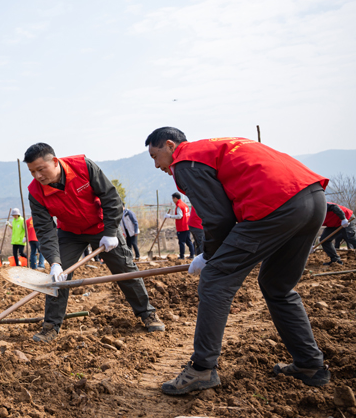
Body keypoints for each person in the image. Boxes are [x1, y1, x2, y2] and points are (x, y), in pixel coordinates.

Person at [146, 128, 330, 394]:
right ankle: (310, 364)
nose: (157, 165)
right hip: (312, 198)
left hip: (276, 204)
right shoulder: (213, 148)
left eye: (155, 156)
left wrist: (209, 256)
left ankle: (201, 370)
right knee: (277, 286)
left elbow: (219, 218)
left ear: (171, 145)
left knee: (215, 280)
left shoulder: (184, 161)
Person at [24, 143, 164, 342]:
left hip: (102, 227)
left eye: (40, 169)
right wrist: (54, 261)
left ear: (55, 161)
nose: (37, 176)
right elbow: (45, 230)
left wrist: (110, 232)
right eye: (32, 172)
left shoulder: (83, 167)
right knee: (58, 278)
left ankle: (148, 314)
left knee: (125, 269)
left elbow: (111, 197)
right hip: (70, 232)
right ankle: (50, 327)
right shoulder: (35, 192)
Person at [165, 192, 195, 259]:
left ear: (175, 198)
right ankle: (192, 254)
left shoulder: (179, 205)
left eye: (173, 198)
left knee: (181, 242)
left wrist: (170, 216)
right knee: (188, 241)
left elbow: (179, 216)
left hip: (182, 226)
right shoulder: (185, 205)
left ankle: (181, 256)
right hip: (187, 225)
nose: (172, 200)